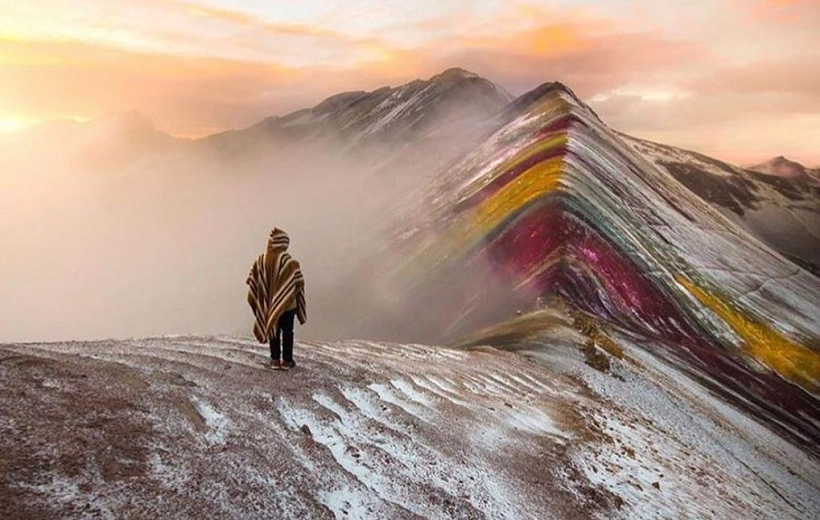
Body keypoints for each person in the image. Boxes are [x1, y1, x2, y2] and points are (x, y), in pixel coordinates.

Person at [246, 228, 307, 370]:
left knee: (273, 328)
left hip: (267, 303)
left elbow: (253, 281)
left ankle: (274, 360)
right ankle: (287, 361)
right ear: (283, 243)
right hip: (288, 305)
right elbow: (298, 283)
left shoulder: (259, 260)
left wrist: (265, 295)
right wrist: (290, 295)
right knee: (287, 331)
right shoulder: (290, 262)